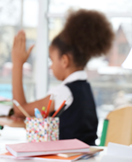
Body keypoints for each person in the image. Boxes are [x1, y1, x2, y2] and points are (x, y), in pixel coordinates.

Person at [11, 9, 114, 145]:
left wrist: (17, 64)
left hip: (68, 156)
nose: (51, 67)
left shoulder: (64, 92)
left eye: (52, 60)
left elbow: (20, 109)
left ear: (65, 61)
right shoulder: (84, 87)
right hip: (87, 154)